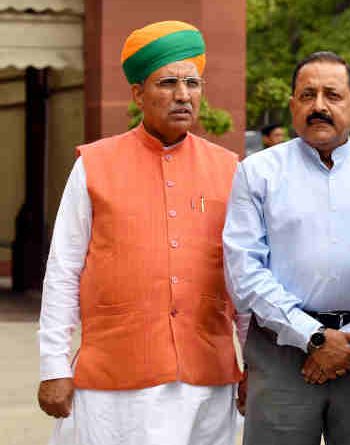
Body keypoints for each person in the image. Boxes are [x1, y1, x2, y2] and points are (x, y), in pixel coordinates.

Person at [37, 20, 248, 445]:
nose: (183, 95)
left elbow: (244, 276)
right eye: (168, 83)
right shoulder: (94, 166)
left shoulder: (230, 169)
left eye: (192, 82)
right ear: (138, 93)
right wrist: (53, 367)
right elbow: (63, 269)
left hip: (206, 377)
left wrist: (255, 366)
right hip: (114, 384)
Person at [223, 51, 350, 445]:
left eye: (332, 95)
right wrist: (313, 336)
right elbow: (243, 272)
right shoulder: (257, 172)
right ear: (293, 104)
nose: (319, 107)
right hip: (282, 353)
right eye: (307, 95)